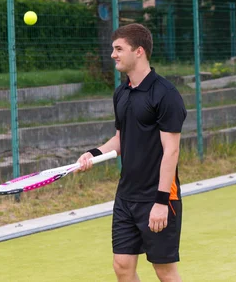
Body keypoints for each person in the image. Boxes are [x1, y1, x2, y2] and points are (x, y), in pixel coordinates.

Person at [77, 23, 187, 282]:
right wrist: (93, 154)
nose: (113, 54)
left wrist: (161, 203)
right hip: (126, 196)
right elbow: (120, 140)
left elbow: (171, 151)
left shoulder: (166, 94)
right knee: (122, 266)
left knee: (165, 271)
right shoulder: (121, 93)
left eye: (119, 49)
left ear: (138, 51)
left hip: (158, 197)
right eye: (113, 49)